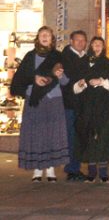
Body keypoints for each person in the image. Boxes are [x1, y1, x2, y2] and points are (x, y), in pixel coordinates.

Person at [10, 26, 69, 182]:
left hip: (54, 100)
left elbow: (66, 81)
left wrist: (60, 76)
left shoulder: (58, 56)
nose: (44, 37)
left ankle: (50, 170)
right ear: (38, 38)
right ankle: (37, 169)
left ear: (52, 39)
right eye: (42, 35)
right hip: (35, 99)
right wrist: (32, 84)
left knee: (52, 134)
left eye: (48, 35)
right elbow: (20, 79)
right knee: (36, 134)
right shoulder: (30, 56)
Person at [73, 37, 109, 183]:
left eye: (100, 44)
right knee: (90, 139)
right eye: (95, 44)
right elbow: (76, 87)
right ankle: (91, 172)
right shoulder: (84, 63)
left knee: (103, 138)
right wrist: (82, 84)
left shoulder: (108, 64)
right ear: (91, 46)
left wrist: (101, 82)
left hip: (104, 107)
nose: (97, 47)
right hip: (88, 107)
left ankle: (104, 173)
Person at [60, 30, 88, 181]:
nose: (80, 43)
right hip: (70, 103)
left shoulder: (85, 58)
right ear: (71, 41)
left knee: (78, 137)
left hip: (82, 105)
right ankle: (71, 169)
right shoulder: (65, 57)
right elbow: (64, 81)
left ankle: (75, 167)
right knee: (71, 136)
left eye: (83, 40)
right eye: (77, 40)